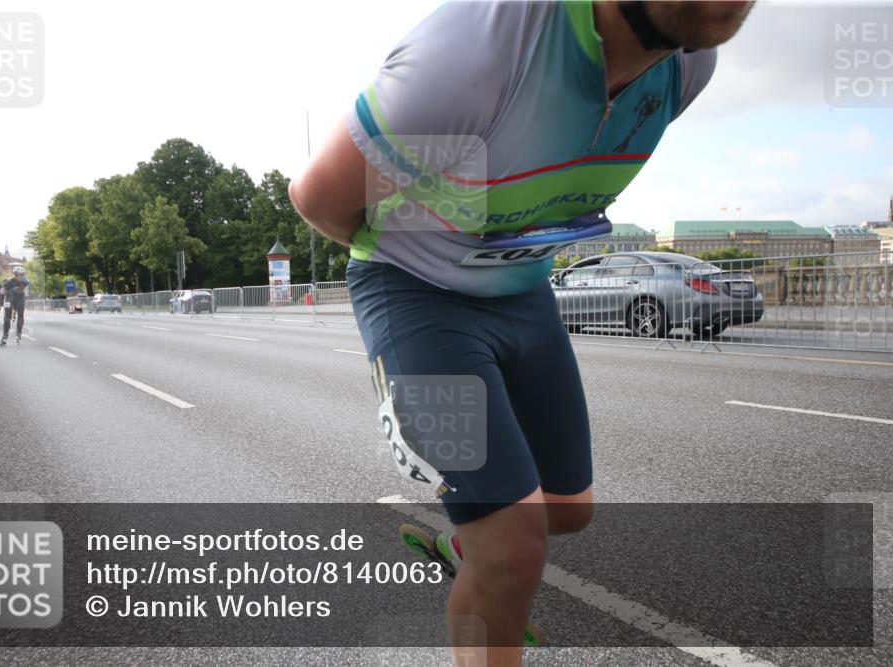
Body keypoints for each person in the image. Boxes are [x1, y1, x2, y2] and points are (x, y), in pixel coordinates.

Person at [289, 1, 753, 663]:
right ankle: (485, 562)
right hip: (415, 292)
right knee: (511, 544)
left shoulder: (690, 62)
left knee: (568, 508)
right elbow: (320, 200)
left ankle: (463, 553)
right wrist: (427, 253)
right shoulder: (473, 57)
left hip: (523, 288)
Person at [0, 265, 29, 346]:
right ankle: (5, 335)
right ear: (14, 274)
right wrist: (1, 301)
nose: (19, 276)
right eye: (17, 274)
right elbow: (2, 292)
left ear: (23, 275)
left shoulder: (25, 281)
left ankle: (19, 332)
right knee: (7, 318)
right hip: (10, 299)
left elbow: (26, 290)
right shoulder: (8, 282)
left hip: (19, 299)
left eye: (21, 275)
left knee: (20, 315)